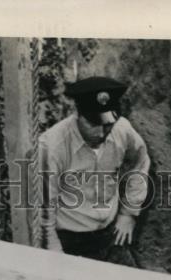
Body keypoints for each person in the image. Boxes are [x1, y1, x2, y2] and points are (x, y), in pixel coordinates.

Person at [39, 76, 151, 265]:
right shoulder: (53, 146)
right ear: (78, 115)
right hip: (69, 239)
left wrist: (129, 213)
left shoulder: (122, 130)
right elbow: (44, 210)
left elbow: (140, 162)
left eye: (107, 125)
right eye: (93, 125)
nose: (101, 133)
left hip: (109, 233)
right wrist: (55, 255)